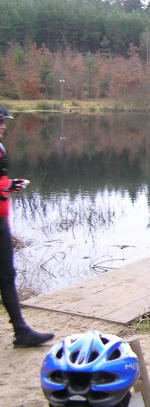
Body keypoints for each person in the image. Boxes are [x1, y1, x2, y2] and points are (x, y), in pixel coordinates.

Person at [0, 104, 55, 348]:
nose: (3, 126)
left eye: (4, 122)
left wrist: (9, 184)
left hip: (1, 219)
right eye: (0, 122)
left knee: (7, 275)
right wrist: (6, 186)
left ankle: (21, 331)